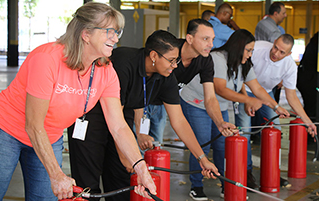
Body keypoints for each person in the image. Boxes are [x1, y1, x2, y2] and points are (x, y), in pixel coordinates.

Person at [0, 2, 156, 201]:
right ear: (86, 34)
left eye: (117, 32)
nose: (115, 38)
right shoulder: (47, 59)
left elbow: (119, 126)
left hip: (49, 136)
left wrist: (141, 169)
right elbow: (33, 125)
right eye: (109, 31)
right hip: (7, 130)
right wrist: (56, 174)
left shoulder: (106, 72)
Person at [68, 29, 225, 201]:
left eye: (176, 61)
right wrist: (127, 157)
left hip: (122, 117)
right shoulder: (124, 62)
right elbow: (115, 117)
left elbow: (179, 120)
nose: (175, 66)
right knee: (88, 181)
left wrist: (201, 158)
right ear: (154, 56)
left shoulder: (166, 77)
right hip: (92, 116)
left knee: (120, 180)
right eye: (171, 61)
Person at [181, 29, 289, 200]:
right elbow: (220, 89)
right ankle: (197, 186)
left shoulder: (244, 64)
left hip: (219, 108)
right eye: (248, 50)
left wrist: (276, 106)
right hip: (197, 103)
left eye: (252, 50)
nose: (250, 54)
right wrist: (247, 100)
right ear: (239, 47)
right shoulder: (218, 58)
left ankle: (226, 184)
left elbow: (257, 88)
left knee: (222, 146)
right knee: (202, 145)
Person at [235, 34, 318, 189]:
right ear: (273, 43)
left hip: (266, 93)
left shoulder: (290, 66)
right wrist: (246, 100)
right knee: (244, 131)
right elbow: (239, 75)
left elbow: (291, 96)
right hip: (244, 89)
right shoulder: (257, 48)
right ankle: (247, 173)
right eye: (275, 48)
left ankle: (272, 172)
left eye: (282, 52)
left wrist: (307, 121)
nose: (276, 54)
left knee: (275, 129)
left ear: (289, 54)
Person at [142, 19, 236, 151]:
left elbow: (210, 97)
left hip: (163, 104)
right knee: (135, 146)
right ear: (189, 39)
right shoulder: (172, 51)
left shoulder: (206, 60)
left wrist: (220, 123)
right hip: (142, 100)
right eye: (205, 39)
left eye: (212, 39)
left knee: (155, 149)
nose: (211, 44)